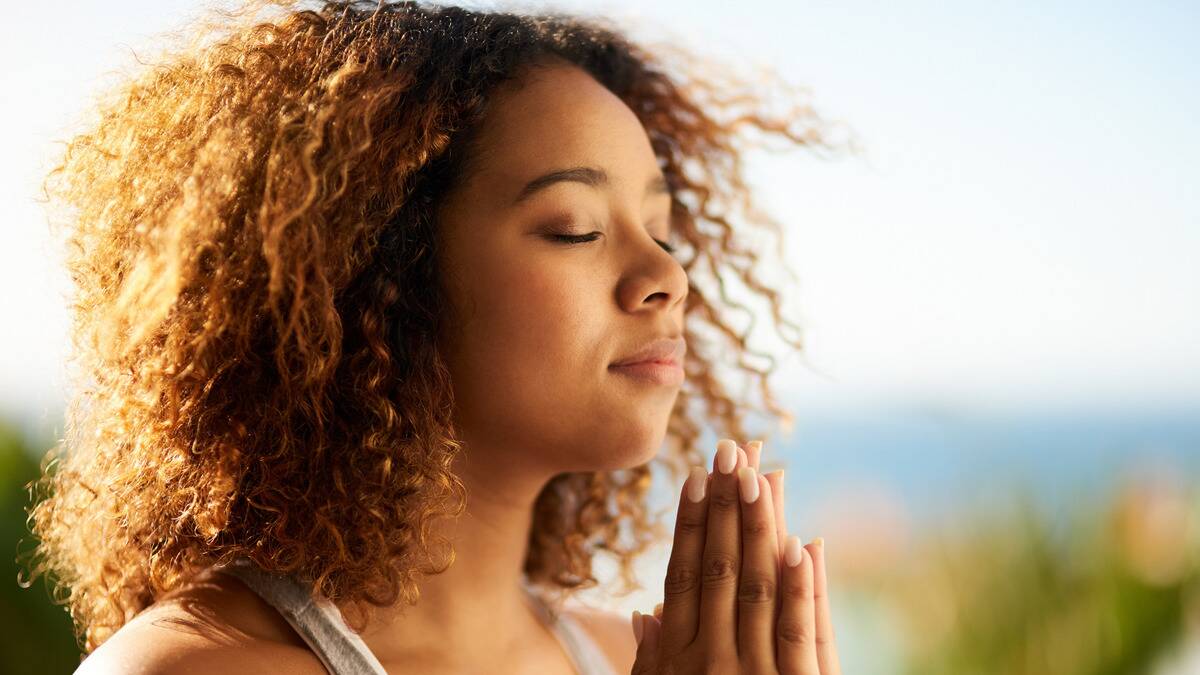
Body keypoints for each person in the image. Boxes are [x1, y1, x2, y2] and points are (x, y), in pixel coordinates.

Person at [24, 1, 852, 672]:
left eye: (663, 228)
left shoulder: (629, 654)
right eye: (574, 228)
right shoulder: (196, 669)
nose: (666, 275)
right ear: (377, 268)